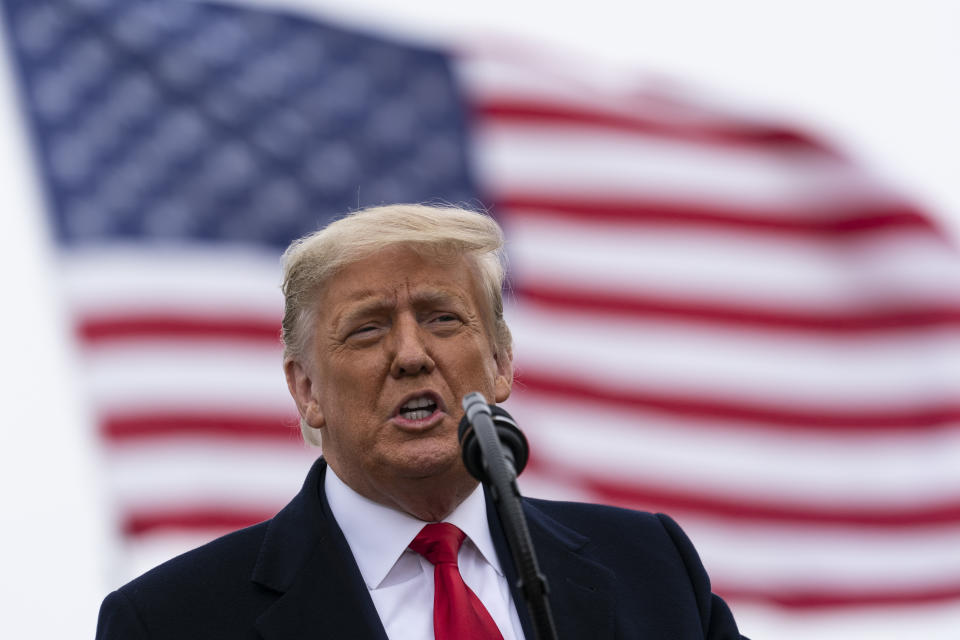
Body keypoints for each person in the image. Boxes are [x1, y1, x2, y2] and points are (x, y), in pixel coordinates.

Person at [95, 204, 746, 639]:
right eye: (368, 328)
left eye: (442, 317)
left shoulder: (650, 568)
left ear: (500, 361)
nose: (411, 355)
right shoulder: (169, 621)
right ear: (306, 389)